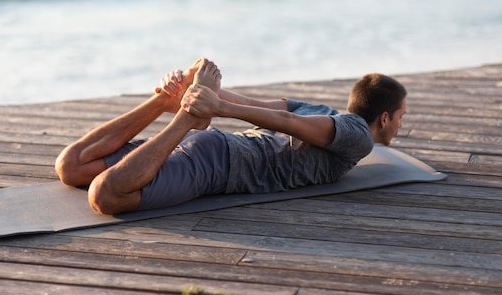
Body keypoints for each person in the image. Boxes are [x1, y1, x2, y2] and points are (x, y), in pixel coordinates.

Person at [55, 58, 407, 215]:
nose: (401, 126)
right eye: (402, 117)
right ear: (385, 117)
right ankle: (180, 113)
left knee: (72, 167)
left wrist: (208, 96)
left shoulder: (320, 111)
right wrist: (207, 103)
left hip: (211, 148)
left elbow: (263, 109)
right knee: (105, 196)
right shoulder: (358, 134)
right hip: (218, 164)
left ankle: (170, 105)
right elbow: (278, 116)